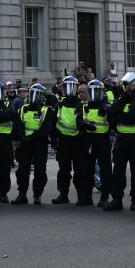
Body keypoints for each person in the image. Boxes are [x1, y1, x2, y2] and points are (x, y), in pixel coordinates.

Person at [106, 72, 135, 212]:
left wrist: (122, 117)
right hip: (121, 140)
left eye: (129, 85)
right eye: (125, 85)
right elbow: (112, 116)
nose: (127, 88)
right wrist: (121, 113)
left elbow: (132, 117)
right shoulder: (121, 100)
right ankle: (117, 199)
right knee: (118, 171)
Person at [12, 83, 55, 205]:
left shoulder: (47, 110)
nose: (34, 97)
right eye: (32, 94)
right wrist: (22, 137)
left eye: (37, 95)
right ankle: (22, 195)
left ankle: (37, 195)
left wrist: (31, 137)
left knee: (40, 171)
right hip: (25, 145)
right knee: (22, 171)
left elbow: (46, 128)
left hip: (39, 144)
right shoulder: (22, 108)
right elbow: (18, 125)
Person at [50, 75, 88, 205]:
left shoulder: (81, 104)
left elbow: (84, 123)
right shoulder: (60, 103)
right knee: (63, 170)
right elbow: (53, 122)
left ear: (76, 88)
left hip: (78, 141)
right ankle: (63, 194)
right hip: (64, 141)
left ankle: (81, 196)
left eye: (72, 87)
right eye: (66, 87)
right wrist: (54, 139)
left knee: (80, 170)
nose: (69, 90)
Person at [79, 79, 111, 207]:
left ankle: (104, 197)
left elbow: (114, 123)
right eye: (92, 91)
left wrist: (108, 111)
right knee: (87, 169)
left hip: (102, 139)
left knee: (105, 170)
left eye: (97, 91)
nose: (94, 94)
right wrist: (84, 125)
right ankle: (87, 196)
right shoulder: (84, 105)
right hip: (88, 139)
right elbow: (78, 120)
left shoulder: (107, 106)